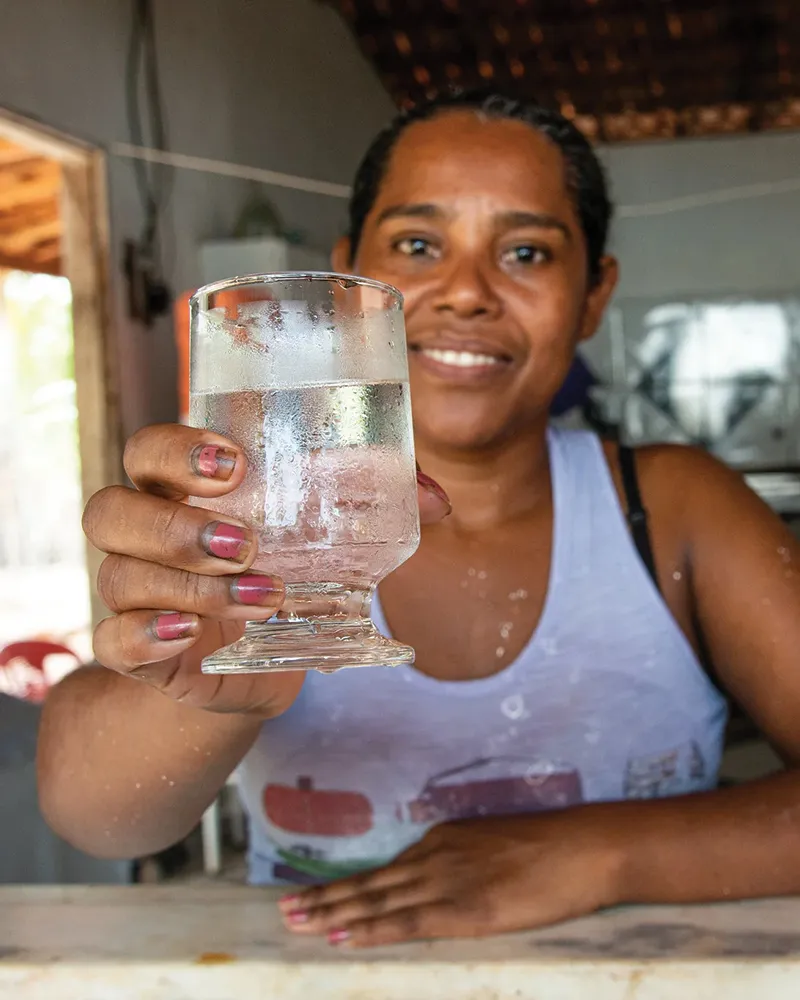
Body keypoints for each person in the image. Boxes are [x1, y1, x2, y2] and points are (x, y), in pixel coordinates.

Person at [39, 92, 800, 948]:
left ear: (594, 296)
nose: (467, 291)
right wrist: (201, 680)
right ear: (344, 277)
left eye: (525, 251)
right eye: (416, 244)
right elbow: (95, 818)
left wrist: (593, 855)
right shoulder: (255, 530)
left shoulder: (672, 510)